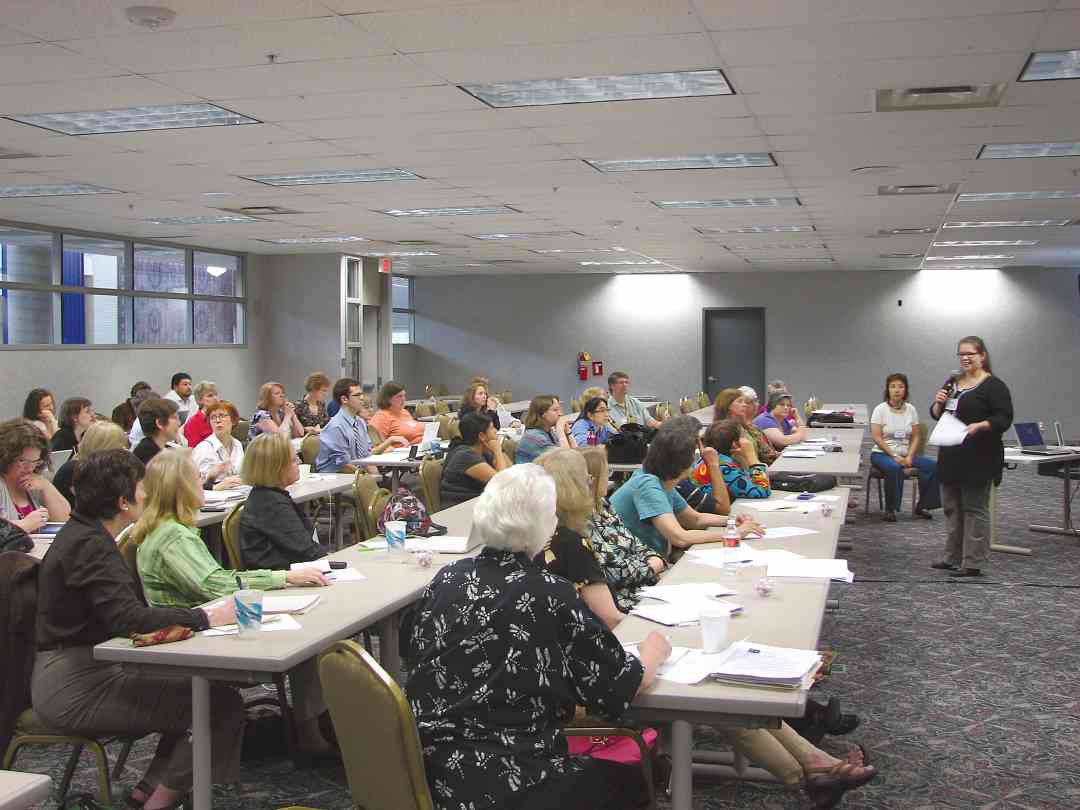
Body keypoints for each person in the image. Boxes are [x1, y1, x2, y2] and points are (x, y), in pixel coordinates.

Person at [403, 464, 672, 810]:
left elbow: (412, 653)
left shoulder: (446, 578)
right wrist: (653, 651)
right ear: (547, 525)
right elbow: (620, 685)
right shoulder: (551, 593)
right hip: (510, 780)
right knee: (638, 777)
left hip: (426, 768)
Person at [31, 449, 243, 810]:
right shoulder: (91, 545)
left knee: (195, 693)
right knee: (219, 706)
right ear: (123, 502)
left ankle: (147, 791)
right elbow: (127, 618)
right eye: (142, 488)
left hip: (80, 669)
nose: (148, 494)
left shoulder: (83, 534)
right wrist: (204, 618)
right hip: (75, 685)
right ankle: (157, 804)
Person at [133, 449, 335, 756]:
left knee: (307, 631)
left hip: (198, 624)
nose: (203, 483)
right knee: (307, 637)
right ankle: (311, 735)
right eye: (196, 478)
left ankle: (314, 728)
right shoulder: (173, 537)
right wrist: (282, 578)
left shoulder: (171, 530)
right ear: (182, 487)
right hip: (194, 638)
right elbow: (215, 585)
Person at [610, 416, 761, 559]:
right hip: (636, 564)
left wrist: (733, 521)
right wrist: (735, 534)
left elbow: (696, 519)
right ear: (684, 462)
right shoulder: (647, 483)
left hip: (648, 559)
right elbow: (679, 538)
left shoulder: (661, 480)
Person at [929, 336, 1013, 577]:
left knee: (974, 509)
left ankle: (973, 562)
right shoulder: (953, 382)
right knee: (952, 508)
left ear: (982, 356)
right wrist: (937, 403)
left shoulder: (994, 386)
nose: (965, 358)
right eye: (961, 354)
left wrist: (982, 425)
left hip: (979, 457)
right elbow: (937, 414)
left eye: (970, 354)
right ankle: (951, 557)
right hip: (951, 455)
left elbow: (1004, 418)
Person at [534, 449, 625, 629]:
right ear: (577, 489)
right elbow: (609, 617)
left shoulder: (536, 533)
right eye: (588, 480)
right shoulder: (571, 542)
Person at [581, 446, 666, 612]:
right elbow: (614, 572)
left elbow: (635, 543)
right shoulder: (581, 520)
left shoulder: (603, 505)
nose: (610, 476)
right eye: (607, 471)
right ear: (593, 478)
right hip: (625, 600)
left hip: (644, 585)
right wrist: (652, 566)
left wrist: (654, 557)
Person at [239, 432, 322, 570]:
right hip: (283, 579)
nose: (300, 462)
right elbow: (307, 551)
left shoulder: (269, 496)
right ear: (277, 466)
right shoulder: (270, 504)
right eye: (294, 460)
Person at [870, 373, 941, 523]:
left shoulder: (911, 410)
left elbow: (916, 436)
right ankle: (891, 509)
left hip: (906, 453)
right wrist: (895, 456)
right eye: (893, 386)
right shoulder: (880, 409)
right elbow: (877, 437)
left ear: (906, 390)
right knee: (894, 467)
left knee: (932, 466)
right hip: (882, 453)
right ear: (887, 390)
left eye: (901, 387)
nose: (897, 390)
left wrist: (909, 456)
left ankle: (922, 506)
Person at [314, 378, 408, 473]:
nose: (362, 398)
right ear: (344, 399)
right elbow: (344, 465)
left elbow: (366, 456)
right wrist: (369, 479)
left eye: (362, 394)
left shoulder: (360, 422)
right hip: (337, 477)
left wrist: (376, 477)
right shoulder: (335, 427)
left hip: (357, 475)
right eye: (357, 395)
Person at [680, 419, 771, 511]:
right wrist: (752, 457)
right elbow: (761, 491)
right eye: (744, 436)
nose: (748, 439)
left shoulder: (714, 458)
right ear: (735, 445)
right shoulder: (725, 468)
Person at [0, 418, 71, 532]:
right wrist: (23, 525)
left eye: (35, 461)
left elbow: (64, 519)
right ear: (5, 456)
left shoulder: (34, 482)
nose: (29, 468)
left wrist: (45, 486)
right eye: (22, 461)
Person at [439, 411, 509, 509]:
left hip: (478, 503)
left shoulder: (483, 451)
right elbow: (503, 482)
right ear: (482, 436)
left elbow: (511, 472)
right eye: (492, 428)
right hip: (458, 509)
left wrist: (499, 451)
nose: (496, 431)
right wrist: (498, 451)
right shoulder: (465, 456)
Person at [52, 421, 129, 506]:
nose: (124, 450)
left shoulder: (104, 468)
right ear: (104, 447)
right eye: (119, 446)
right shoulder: (74, 470)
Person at [714, 387, 778, 465]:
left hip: (760, 467)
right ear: (728, 405)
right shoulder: (722, 430)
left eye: (745, 402)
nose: (744, 405)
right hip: (742, 471)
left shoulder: (747, 427)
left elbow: (766, 454)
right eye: (740, 402)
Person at [191, 400, 245, 491]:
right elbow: (193, 485)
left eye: (222, 416)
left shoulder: (237, 444)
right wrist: (216, 485)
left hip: (239, 492)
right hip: (214, 497)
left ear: (234, 420)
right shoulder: (203, 448)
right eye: (213, 417)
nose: (218, 421)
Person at [516, 395, 577, 463]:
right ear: (542, 414)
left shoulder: (548, 431)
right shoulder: (535, 438)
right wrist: (560, 432)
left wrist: (568, 433)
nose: (561, 414)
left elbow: (576, 454)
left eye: (560, 409)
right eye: (555, 410)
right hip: (531, 473)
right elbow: (566, 459)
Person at [368, 382, 426, 446]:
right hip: (403, 453)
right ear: (388, 399)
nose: (403, 399)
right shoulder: (381, 417)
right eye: (399, 396)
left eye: (404, 395)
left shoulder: (405, 412)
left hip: (421, 447)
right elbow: (378, 446)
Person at [133, 398, 180, 465]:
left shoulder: (157, 448)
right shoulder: (151, 457)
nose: (179, 423)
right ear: (160, 423)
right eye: (175, 418)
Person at [181, 381, 218, 448]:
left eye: (216, 395)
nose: (215, 398)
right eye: (210, 396)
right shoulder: (193, 422)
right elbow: (194, 450)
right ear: (200, 400)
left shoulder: (220, 418)